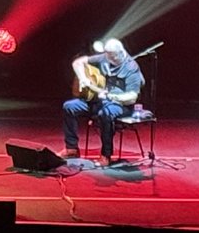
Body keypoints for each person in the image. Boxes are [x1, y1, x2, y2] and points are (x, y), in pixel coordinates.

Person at [61, 38, 144, 167]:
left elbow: (132, 97)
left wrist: (112, 96)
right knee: (69, 107)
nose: (110, 60)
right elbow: (77, 63)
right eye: (108, 56)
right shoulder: (105, 57)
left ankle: (106, 155)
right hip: (100, 101)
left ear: (120, 53)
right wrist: (83, 78)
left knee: (105, 113)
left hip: (121, 106)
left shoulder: (131, 67)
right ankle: (71, 149)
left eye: (113, 58)